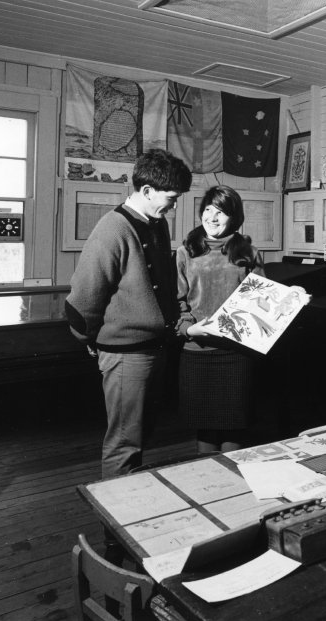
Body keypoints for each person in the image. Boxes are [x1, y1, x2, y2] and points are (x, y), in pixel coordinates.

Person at [65, 149, 192, 480]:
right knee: (124, 443)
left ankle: (130, 508)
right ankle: (115, 529)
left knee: (139, 436)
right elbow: (83, 299)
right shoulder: (112, 228)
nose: (174, 206)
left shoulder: (157, 224)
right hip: (125, 354)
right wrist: (89, 338)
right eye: (172, 198)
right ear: (147, 191)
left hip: (154, 348)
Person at [176, 185, 264, 453]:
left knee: (234, 429)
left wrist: (290, 295)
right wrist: (189, 330)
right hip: (196, 352)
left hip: (237, 354)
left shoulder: (248, 253)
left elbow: (261, 303)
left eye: (221, 212)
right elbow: (175, 301)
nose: (212, 218)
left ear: (234, 217)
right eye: (208, 210)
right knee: (205, 430)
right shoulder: (186, 252)